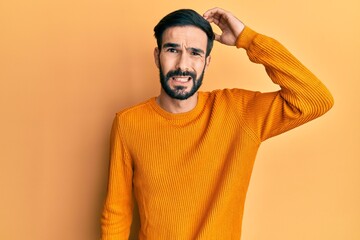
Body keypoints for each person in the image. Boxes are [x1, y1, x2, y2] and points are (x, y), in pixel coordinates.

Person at [101, 7, 334, 240]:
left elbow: (315, 99)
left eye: (195, 53)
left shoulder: (238, 111)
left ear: (207, 61)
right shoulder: (128, 123)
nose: (183, 64)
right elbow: (116, 213)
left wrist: (248, 39)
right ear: (157, 56)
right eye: (172, 49)